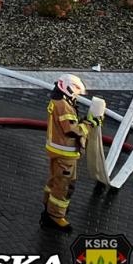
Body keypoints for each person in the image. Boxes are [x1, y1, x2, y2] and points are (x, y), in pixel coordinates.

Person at [42, 74, 103, 230]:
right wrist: (91, 123)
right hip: (65, 153)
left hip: (57, 150)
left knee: (55, 180)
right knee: (64, 185)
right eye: (75, 92)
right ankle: (55, 216)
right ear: (67, 88)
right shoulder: (63, 105)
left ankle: (48, 206)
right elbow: (72, 130)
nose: (76, 96)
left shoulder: (59, 100)